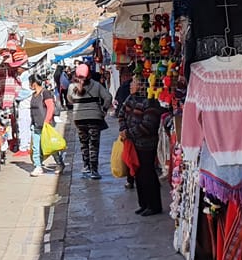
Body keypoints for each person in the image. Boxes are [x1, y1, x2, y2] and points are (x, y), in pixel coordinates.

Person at [118, 76, 167, 215]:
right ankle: (143, 203)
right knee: (137, 174)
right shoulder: (130, 99)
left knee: (147, 174)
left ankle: (153, 205)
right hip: (133, 143)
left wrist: (129, 133)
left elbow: (148, 126)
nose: (131, 85)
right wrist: (123, 129)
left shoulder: (150, 102)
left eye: (134, 82)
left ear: (141, 86)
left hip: (146, 144)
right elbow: (121, 114)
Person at [66, 63, 113, 180]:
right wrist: (104, 109)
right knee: (94, 144)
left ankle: (86, 166)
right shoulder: (97, 85)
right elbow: (108, 97)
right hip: (94, 117)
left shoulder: (72, 87)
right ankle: (94, 170)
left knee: (84, 143)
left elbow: (70, 100)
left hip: (79, 118)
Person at [29, 74, 65, 177]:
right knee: (36, 147)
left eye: (30, 83)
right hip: (36, 125)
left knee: (51, 147)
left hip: (46, 125)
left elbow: (50, 107)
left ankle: (59, 163)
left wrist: (46, 121)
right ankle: (38, 166)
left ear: (34, 83)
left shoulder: (45, 93)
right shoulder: (33, 95)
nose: (29, 85)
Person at [114, 70, 135, 189]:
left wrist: (124, 129)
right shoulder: (130, 97)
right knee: (130, 156)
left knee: (128, 156)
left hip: (129, 133)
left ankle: (130, 180)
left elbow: (119, 110)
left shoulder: (123, 88)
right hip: (130, 134)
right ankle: (132, 179)